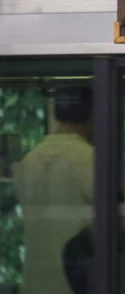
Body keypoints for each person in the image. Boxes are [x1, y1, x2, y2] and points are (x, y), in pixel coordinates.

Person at [15, 86, 94, 294]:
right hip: (72, 286)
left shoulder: (28, 161)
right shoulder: (88, 158)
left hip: (33, 284)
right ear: (92, 116)